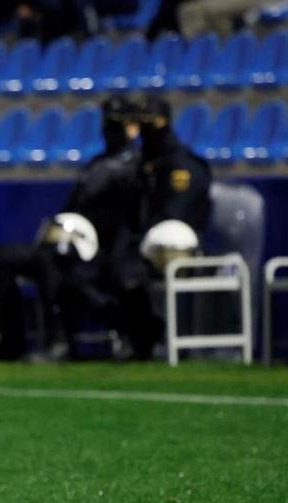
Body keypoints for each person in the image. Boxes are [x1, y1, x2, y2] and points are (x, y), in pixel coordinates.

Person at [0, 96, 142, 361]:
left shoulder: (135, 167)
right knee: (1, 258)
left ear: (132, 127)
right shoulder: (97, 164)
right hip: (68, 243)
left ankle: (58, 342)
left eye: (116, 124)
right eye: (106, 123)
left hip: (100, 251)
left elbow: (127, 219)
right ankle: (11, 341)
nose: (108, 130)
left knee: (50, 263)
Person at [102, 96, 211, 359]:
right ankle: (138, 336)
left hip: (176, 249)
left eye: (150, 125)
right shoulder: (142, 164)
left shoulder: (182, 165)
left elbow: (175, 219)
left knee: (127, 272)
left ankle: (145, 338)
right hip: (143, 246)